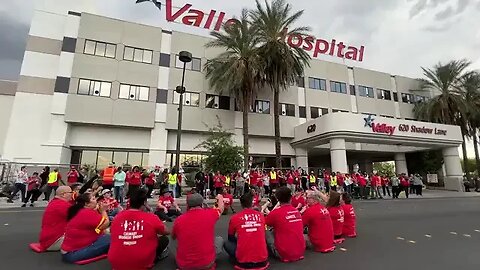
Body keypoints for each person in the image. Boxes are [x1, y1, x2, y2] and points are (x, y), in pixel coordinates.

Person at [108, 188, 170, 270]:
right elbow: (167, 232)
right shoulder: (151, 217)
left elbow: (112, 232)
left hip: (116, 262)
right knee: (164, 239)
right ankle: (155, 257)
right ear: (144, 203)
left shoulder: (118, 217)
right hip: (141, 263)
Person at [172, 193, 225, 270]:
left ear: (187, 205)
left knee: (176, 238)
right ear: (202, 204)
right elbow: (221, 208)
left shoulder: (179, 220)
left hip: (184, 265)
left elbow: (173, 237)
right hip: (206, 264)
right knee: (219, 239)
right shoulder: (210, 214)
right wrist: (220, 197)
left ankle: (181, 256)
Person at [61, 192, 110, 263]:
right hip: (73, 253)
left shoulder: (79, 211)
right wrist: (103, 211)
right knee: (113, 239)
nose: (96, 200)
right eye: (93, 199)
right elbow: (105, 224)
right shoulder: (86, 213)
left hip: (68, 251)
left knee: (106, 236)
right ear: (87, 204)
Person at [224, 192, 269, 269]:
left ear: (241, 204)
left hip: (242, 263)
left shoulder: (235, 218)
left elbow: (230, 237)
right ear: (252, 203)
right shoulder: (261, 216)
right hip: (262, 262)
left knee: (226, 243)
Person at [265, 186, 305, 262]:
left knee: (265, 230)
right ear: (290, 198)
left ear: (277, 199)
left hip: (284, 253)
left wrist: (264, 209)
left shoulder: (276, 212)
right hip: (300, 251)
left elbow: (263, 223)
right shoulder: (297, 212)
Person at [38, 186, 73, 252]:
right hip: (54, 240)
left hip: (48, 239)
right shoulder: (62, 205)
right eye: (71, 192)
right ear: (64, 194)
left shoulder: (55, 202)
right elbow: (81, 217)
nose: (72, 194)